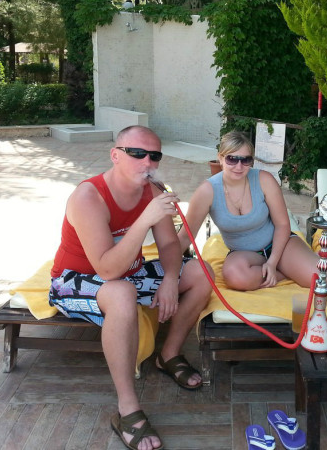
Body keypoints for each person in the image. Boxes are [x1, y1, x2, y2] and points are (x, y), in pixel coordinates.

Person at [49, 125, 213, 450]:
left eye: (154, 155)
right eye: (137, 153)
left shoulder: (153, 191)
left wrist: (170, 279)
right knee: (122, 292)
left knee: (202, 272)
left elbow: (169, 244)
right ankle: (127, 409)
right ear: (115, 155)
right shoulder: (88, 197)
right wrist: (144, 219)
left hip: (128, 274)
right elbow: (107, 269)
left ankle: (169, 354)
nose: (147, 162)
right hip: (73, 280)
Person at [179, 131, 327, 290]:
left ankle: (309, 263)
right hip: (243, 253)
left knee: (323, 279)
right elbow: (186, 235)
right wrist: (168, 270)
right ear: (220, 158)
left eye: (245, 160)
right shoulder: (207, 191)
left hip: (278, 244)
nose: (239, 166)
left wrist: (272, 263)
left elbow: (282, 224)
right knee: (235, 277)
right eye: (232, 159)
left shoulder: (264, 180)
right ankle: (290, 271)